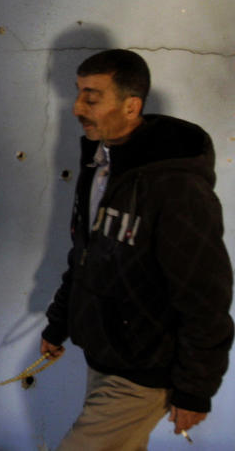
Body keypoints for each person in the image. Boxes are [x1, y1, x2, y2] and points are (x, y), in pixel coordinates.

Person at [42, 49, 233, 450]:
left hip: (145, 370)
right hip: (105, 355)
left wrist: (196, 388)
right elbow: (85, 254)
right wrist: (60, 322)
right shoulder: (101, 163)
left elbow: (205, 293)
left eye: (91, 98)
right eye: (77, 94)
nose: (76, 108)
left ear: (131, 106)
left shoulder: (177, 187)